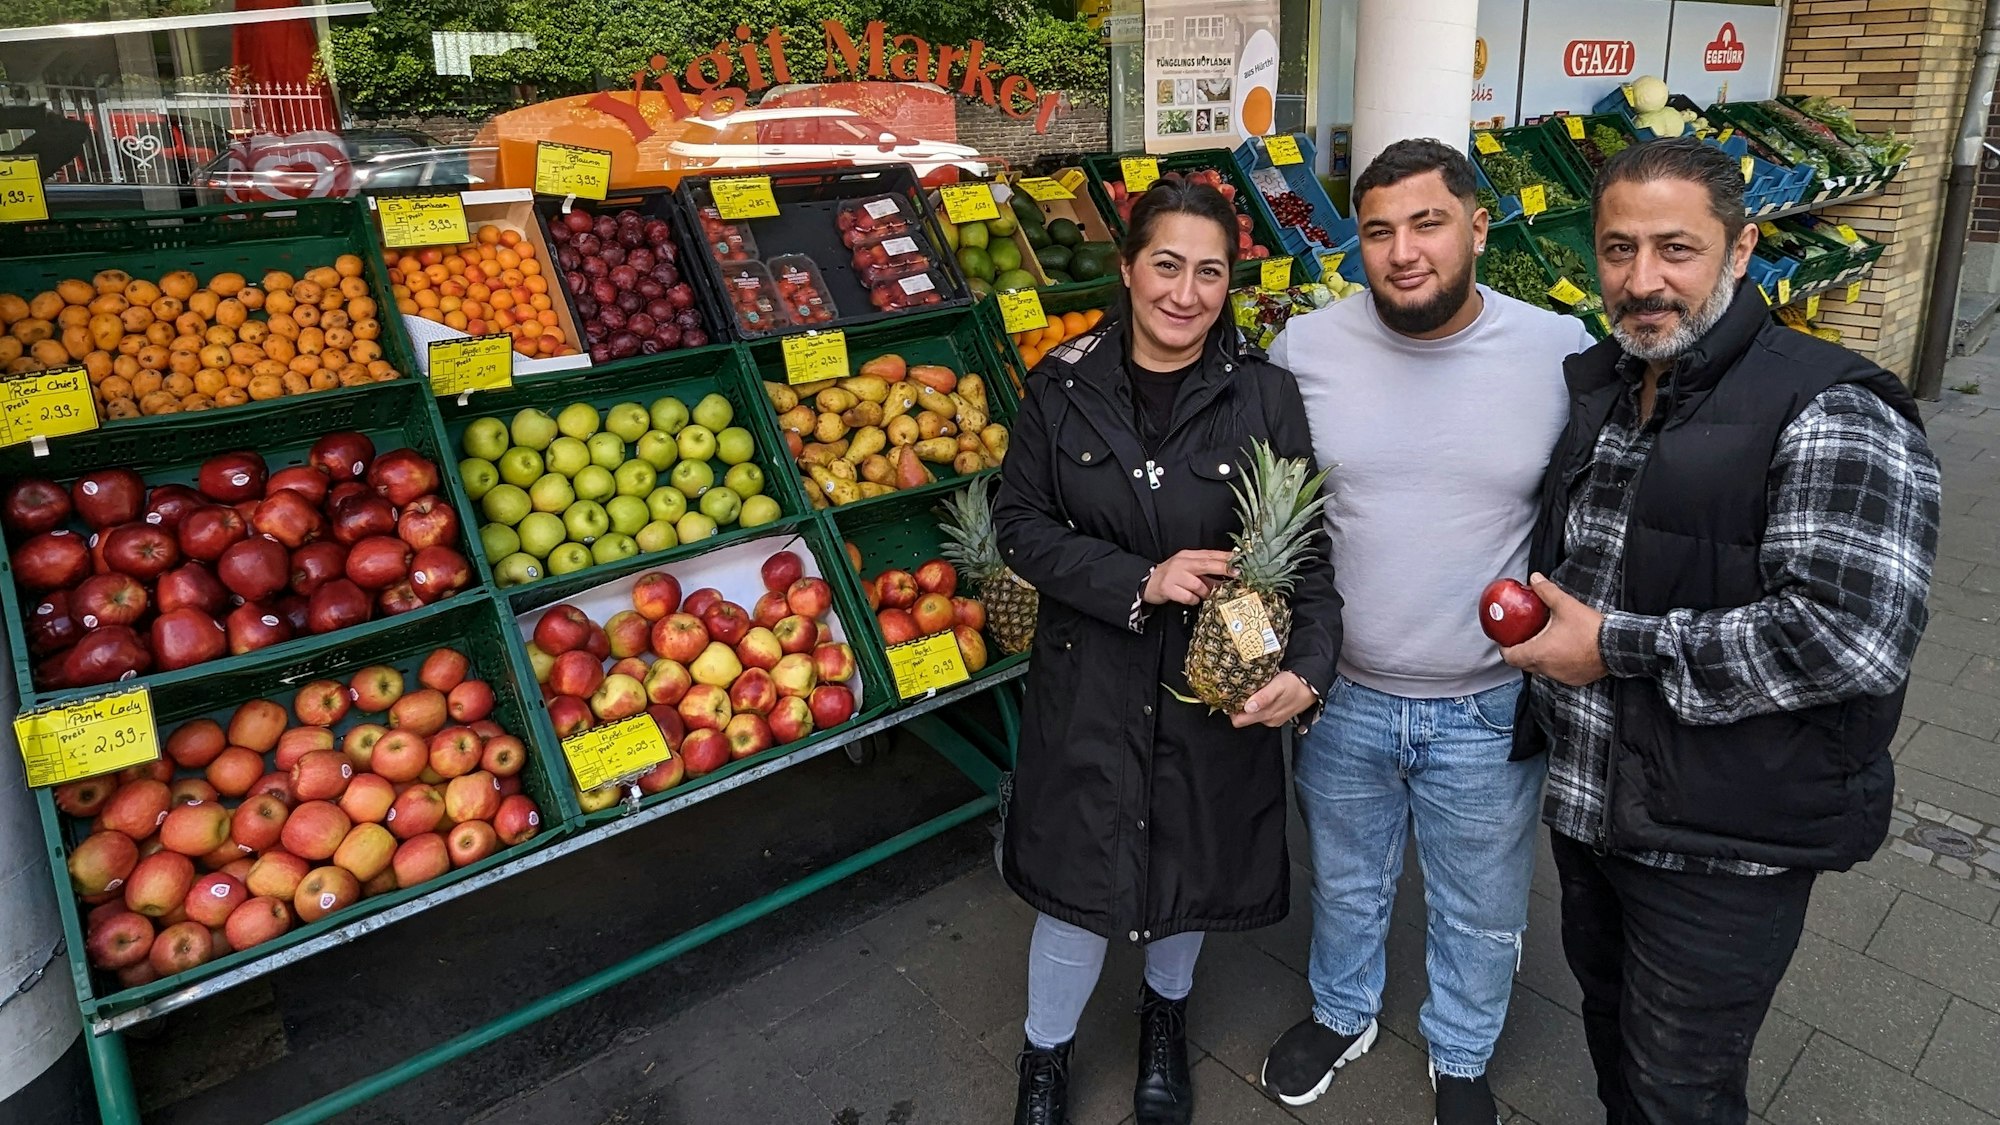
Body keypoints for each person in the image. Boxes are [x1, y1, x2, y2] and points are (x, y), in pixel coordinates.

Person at [1501, 137, 1940, 1123]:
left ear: (1740, 251)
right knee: (1617, 1050)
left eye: (1674, 249)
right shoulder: (1607, 387)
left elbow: (1850, 636)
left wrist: (1612, 645)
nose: (1641, 280)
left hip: (1721, 839)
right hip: (1597, 811)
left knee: (1679, 1092)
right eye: (1617, 250)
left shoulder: (1827, 406)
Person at [992, 176, 1342, 1125]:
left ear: (1233, 279)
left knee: (1186, 870)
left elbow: (1307, 561)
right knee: (1074, 887)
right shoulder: (1061, 385)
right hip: (1091, 682)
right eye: (1166, 265)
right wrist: (1136, 579)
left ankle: (1163, 1021)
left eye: (1210, 272)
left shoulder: (1265, 395)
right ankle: (1044, 1053)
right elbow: (1017, 523)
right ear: (1128, 267)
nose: (1185, 293)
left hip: (1212, 684)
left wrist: (1309, 671)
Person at [1258, 138, 1593, 1123]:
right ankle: (1341, 1010)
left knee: (1481, 911)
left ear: (1476, 226)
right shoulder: (1305, 350)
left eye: (1427, 223)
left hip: (1488, 703)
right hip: (1343, 693)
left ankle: (1459, 1054)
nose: (1402, 250)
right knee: (1345, 881)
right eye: (1377, 230)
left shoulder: (1557, 351)